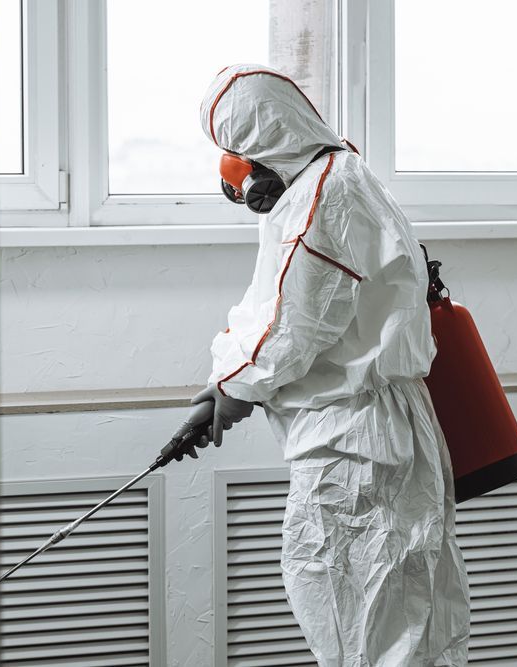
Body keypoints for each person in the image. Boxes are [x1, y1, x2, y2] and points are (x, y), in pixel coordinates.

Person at [189, 64, 470, 666]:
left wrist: (234, 385)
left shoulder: (323, 194)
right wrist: (220, 382)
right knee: (405, 611)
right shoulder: (340, 174)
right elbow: (271, 302)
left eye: (238, 156)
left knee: (368, 619)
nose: (238, 181)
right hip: (379, 428)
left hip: (356, 445)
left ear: (266, 142)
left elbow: (294, 324)